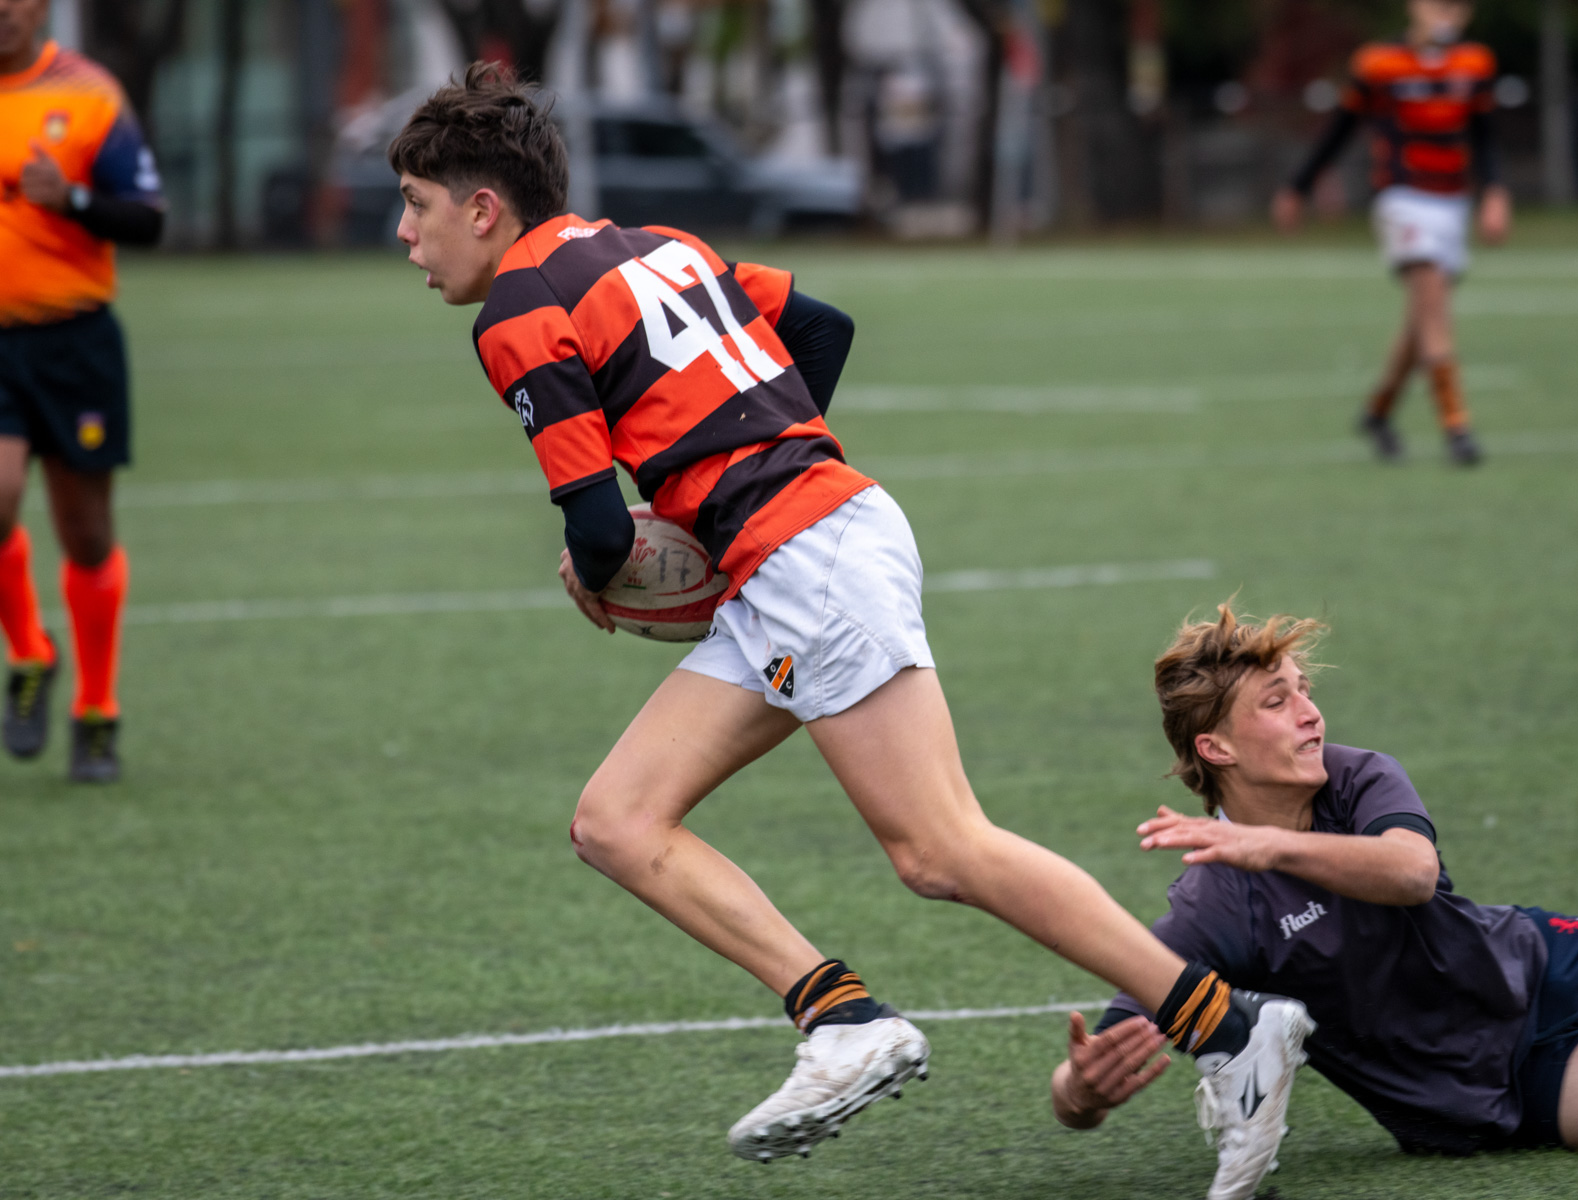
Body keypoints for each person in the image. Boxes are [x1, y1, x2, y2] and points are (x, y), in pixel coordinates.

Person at [386, 64, 1310, 1194]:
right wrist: (754, 473)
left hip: (806, 559)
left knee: (942, 849)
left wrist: (613, 572)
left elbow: (594, 530)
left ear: (483, 207)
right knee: (618, 820)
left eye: (417, 206)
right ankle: (842, 1020)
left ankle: (1228, 1028)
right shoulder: (657, 245)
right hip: (797, 554)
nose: (405, 234)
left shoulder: (519, 312)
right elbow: (822, 326)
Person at [1050, 604, 1578, 1158]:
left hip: (1538, 960)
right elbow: (1107, 1045)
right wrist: (1079, 1094)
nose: (1310, 714)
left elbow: (1412, 873)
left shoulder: (1354, 774)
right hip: (1496, 1077)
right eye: (1277, 703)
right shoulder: (1213, 903)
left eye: (1304, 689)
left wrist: (1270, 844)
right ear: (1215, 747)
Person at [1, 0, 163, 782]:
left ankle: (96, 707)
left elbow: (148, 219)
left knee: (87, 535)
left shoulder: (89, 93)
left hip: (74, 344)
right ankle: (30, 651)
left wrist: (65, 198)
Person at [1272, 0, 1506, 467]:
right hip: (1402, 198)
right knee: (1434, 303)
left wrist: (1495, 194)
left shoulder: (1475, 63)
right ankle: (1457, 427)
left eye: (1458, 7)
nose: (1447, 16)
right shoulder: (1378, 63)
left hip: (1452, 201)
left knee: (1421, 320)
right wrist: (1298, 187)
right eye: (1439, 5)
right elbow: (1339, 129)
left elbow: (1485, 135)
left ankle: (1378, 413)